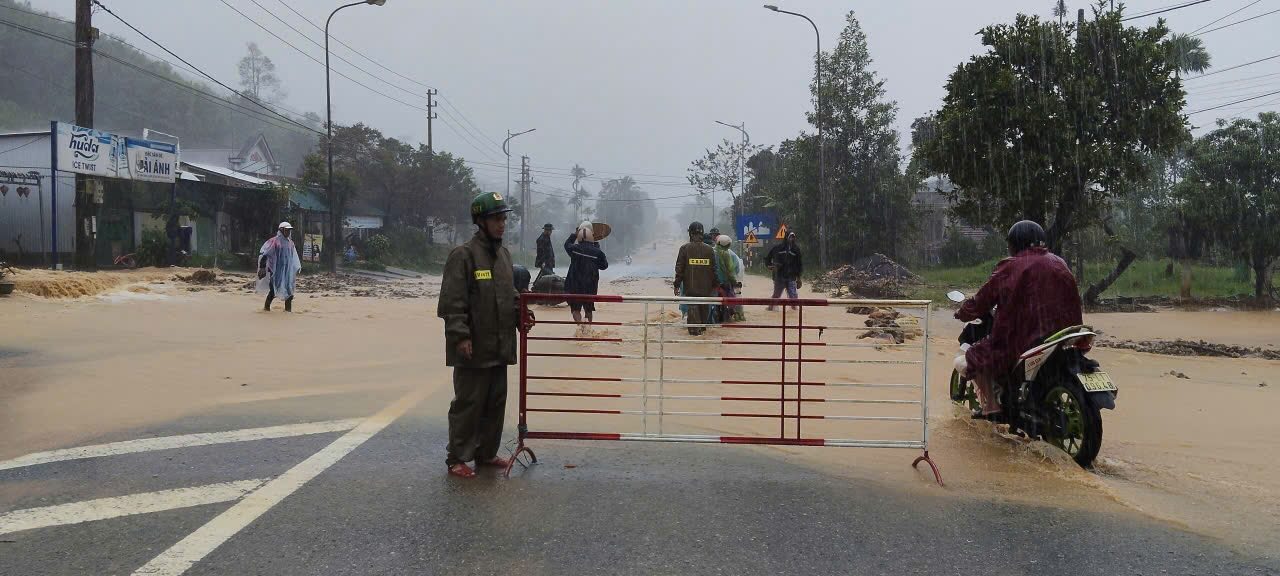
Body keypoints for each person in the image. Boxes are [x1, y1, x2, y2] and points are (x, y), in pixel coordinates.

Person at [438, 192, 534, 478]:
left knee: (495, 403)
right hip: (473, 347)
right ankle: (457, 458)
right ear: (480, 221)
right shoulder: (463, 255)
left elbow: (510, 294)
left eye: (504, 218)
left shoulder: (504, 255)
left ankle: (486, 453)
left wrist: (522, 315)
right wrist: (461, 337)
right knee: (468, 404)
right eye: (496, 219)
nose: (502, 224)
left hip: (499, 346)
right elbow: (452, 303)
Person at [954, 220, 1083, 419]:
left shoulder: (1011, 266)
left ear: (1015, 243)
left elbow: (983, 299)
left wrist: (963, 312)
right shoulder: (1058, 262)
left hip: (1023, 337)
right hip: (1062, 334)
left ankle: (992, 407)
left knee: (975, 356)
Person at [564, 220, 608, 336]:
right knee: (588, 310)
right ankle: (587, 330)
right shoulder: (597, 253)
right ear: (592, 235)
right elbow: (604, 266)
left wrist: (574, 234)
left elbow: (566, 245)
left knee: (575, 310)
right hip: (590, 286)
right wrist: (596, 247)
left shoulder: (574, 249)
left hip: (575, 285)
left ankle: (581, 328)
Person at [674, 221, 717, 336]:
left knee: (694, 331)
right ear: (702, 233)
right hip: (706, 291)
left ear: (690, 234)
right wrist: (715, 286)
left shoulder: (684, 249)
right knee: (703, 326)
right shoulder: (709, 250)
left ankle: (694, 343)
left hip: (691, 290)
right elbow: (714, 271)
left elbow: (679, 269)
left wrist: (676, 285)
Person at [257, 222, 302, 312]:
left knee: (289, 293)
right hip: (275, 271)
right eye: (286, 230)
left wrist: (295, 269)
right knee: (273, 291)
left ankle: (288, 312)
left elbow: (294, 257)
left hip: (287, 272)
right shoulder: (274, 241)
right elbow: (265, 254)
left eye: (289, 230)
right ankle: (266, 309)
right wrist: (262, 268)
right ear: (281, 230)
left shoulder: (291, 243)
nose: (288, 232)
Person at [765, 232, 803, 311]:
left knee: (793, 297)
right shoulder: (778, 248)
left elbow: (799, 265)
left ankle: (795, 311)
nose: (792, 239)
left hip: (791, 277)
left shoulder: (796, 250)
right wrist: (770, 265)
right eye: (790, 237)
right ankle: (770, 308)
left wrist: (799, 278)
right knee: (776, 295)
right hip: (779, 276)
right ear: (786, 238)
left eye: (793, 237)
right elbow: (768, 258)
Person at [715, 235, 746, 322]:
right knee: (733, 299)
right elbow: (732, 271)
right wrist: (734, 282)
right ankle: (735, 315)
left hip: (713, 283)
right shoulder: (729, 254)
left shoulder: (711, 252)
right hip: (725, 283)